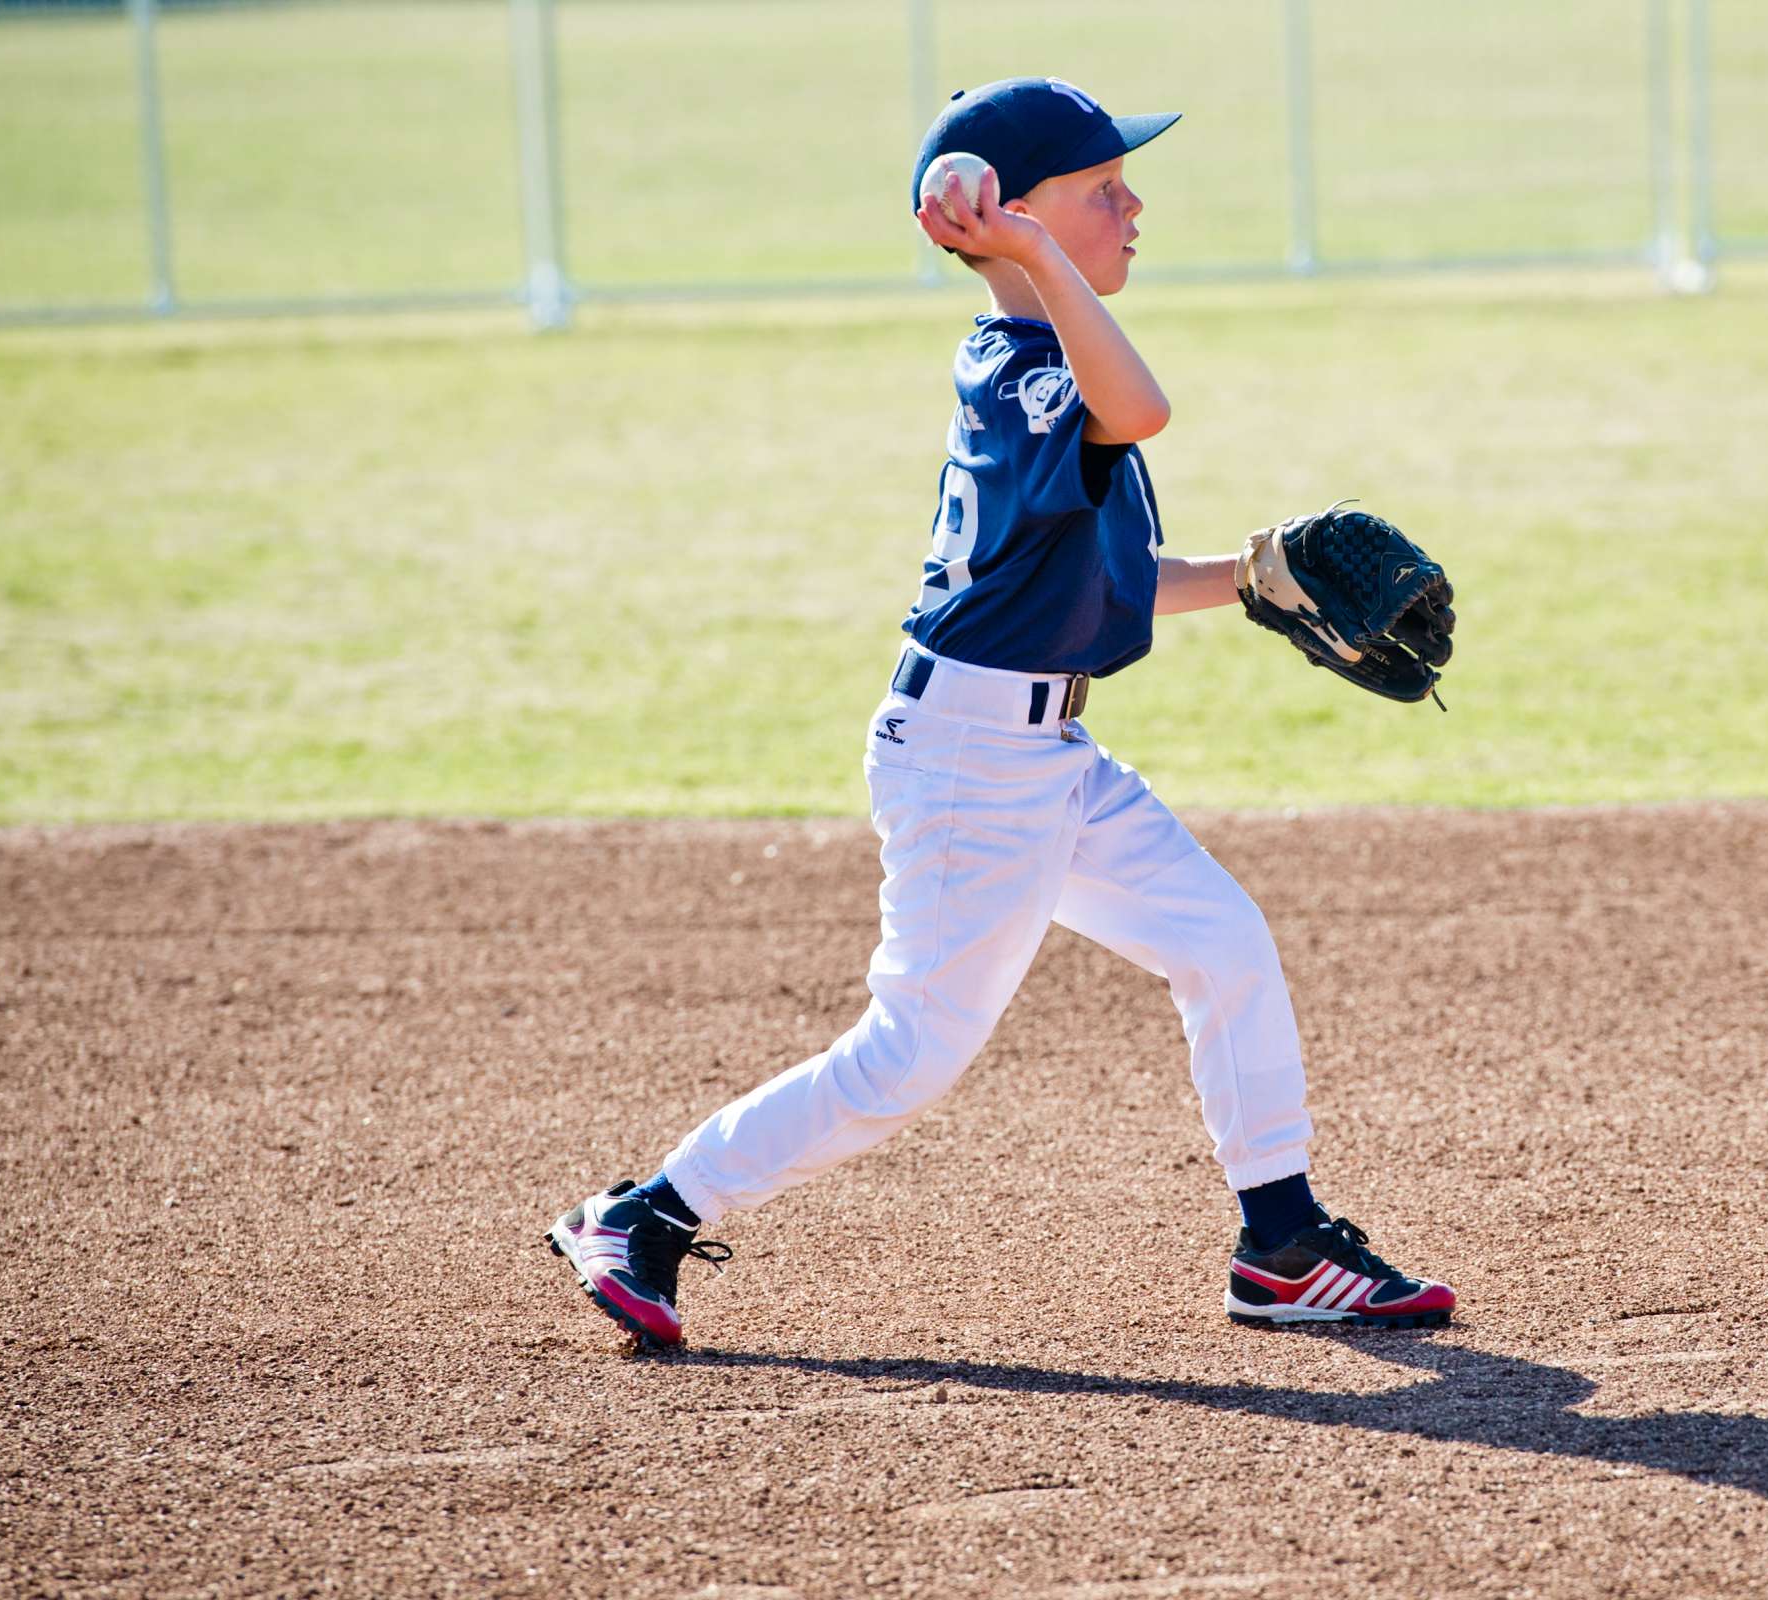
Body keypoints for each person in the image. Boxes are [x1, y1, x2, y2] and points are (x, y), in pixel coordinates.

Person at [547, 77, 1455, 1349]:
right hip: (975, 759)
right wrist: (1022, 252)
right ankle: (645, 1213)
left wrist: (1252, 578)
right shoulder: (1027, 371)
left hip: (1036, 748)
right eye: (1100, 192)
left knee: (1222, 944)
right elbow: (1138, 406)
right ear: (1016, 218)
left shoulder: (1035, 363)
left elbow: (1099, 577)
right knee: (909, 1056)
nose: (1134, 207)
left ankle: (1284, 1243)